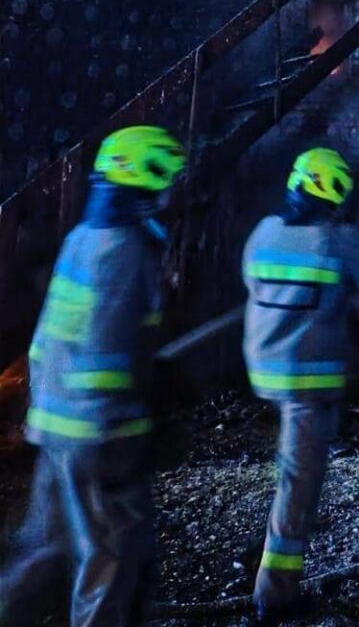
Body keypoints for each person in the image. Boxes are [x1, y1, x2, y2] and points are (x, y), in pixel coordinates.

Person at [0, 124, 186, 627]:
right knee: (114, 560)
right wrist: (132, 429)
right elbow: (108, 359)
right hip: (96, 436)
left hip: (55, 426)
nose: (168, 195)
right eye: (164, 182)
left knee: (48, 552)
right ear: (141, 182)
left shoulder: (83, 239)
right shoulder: (124, 251)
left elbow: (53, 342)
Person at [242, 146, 359, 624]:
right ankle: (274, 595)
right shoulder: (331, 242)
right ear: (332, 190)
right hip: (307, 384)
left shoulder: (262, 234)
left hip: (267, 375)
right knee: (298, 484)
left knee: (293, 475)